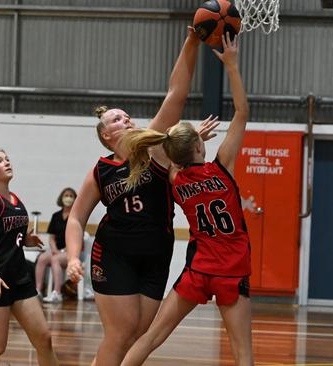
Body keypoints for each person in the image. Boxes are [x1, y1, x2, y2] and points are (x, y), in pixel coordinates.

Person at [65, 27, 205, 366]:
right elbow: (76, 218)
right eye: (116, 118)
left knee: (138, 337)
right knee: (121, 331)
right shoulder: (101, 170)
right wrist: (72, 257)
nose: (125, 117)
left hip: (156, 254)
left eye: (125, 114)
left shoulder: (156, 148)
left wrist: (190, 42)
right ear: (106, 135)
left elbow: (177, 94)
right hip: (115, 253)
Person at [119, 33, 253, 366]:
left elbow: (172, 152)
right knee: (242, 354)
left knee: (151, 338)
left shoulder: (175, 179)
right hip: (231, 272)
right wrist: (232, 66)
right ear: (199, 146)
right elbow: (242, 112)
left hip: (197, 270)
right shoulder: (222, 168)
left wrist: (193, 138)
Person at [0, 148, 59, 366]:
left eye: (7, 159)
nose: (6, 162)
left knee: (44, 339)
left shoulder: (15, 198)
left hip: (19, 277)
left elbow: (7, 234)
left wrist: (26, 239)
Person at [35, 187, 77, 303]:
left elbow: (77, 237)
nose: (68, 198)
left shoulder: (76, 216)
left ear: (75, 199)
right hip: (57, 250)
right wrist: (54, 249)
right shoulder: (56, 216)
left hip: (71, 251)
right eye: (66, 195)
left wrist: (64, 250)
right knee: (42, 258)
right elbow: (52, 237)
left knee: (55, 259)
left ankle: (57, 293)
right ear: (61, 198)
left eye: (71, 196)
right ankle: (38, 290)